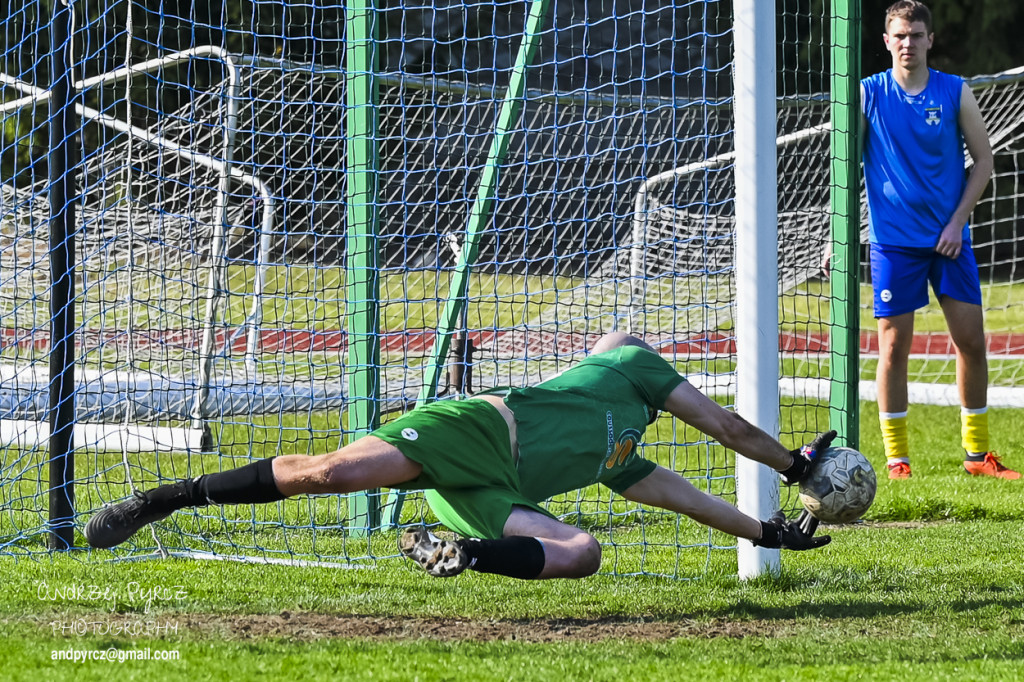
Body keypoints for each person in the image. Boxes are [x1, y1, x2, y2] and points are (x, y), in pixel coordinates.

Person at [85, 332, 834, 579]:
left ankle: (463, 554)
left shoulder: (625, 460)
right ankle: (162, 500)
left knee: (584, 553)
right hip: (475, 431)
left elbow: (688, 499)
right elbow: (727, 427)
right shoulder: (630, 364)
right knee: (332, 474)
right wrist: (794, 467)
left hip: (486, 493)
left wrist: (767, 534)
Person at [861, 1, 1017, 480]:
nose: (908, 43)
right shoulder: (867, 93)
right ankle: (897, 460)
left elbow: (984, 161)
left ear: (930, 39)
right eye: (900, 35)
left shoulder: (954, 91)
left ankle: (977, 456)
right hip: (893, 243)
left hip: (951, 241)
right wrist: (835, 236)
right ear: (887, 41)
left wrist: (957, 223)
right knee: (893, 349)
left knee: (971, 341)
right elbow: (842, 169)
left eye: (916, 35)